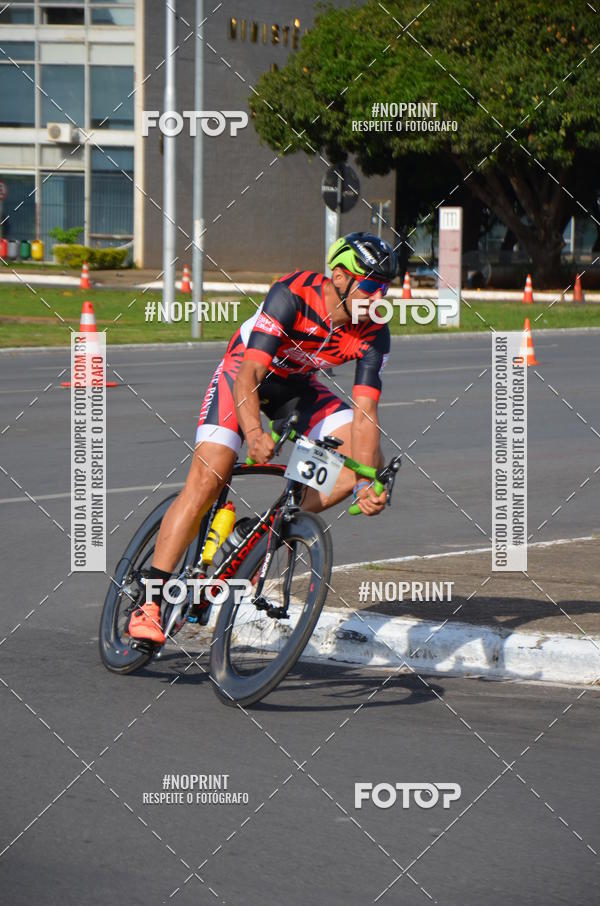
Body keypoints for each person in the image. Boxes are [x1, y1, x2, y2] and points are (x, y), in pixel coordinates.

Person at [129, 231, 399, 643]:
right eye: (372, 286)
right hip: (243, 378)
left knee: (360, 462)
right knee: (209, 477)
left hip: (296, 388)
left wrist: (365, 482)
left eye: (385, 289)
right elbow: (249, 374)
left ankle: (261, 534)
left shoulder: (374, 331)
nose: (379, 298)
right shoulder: (292, 294)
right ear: (341, 277)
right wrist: (253, 433)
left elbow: (365, 414)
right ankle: (149, 600)